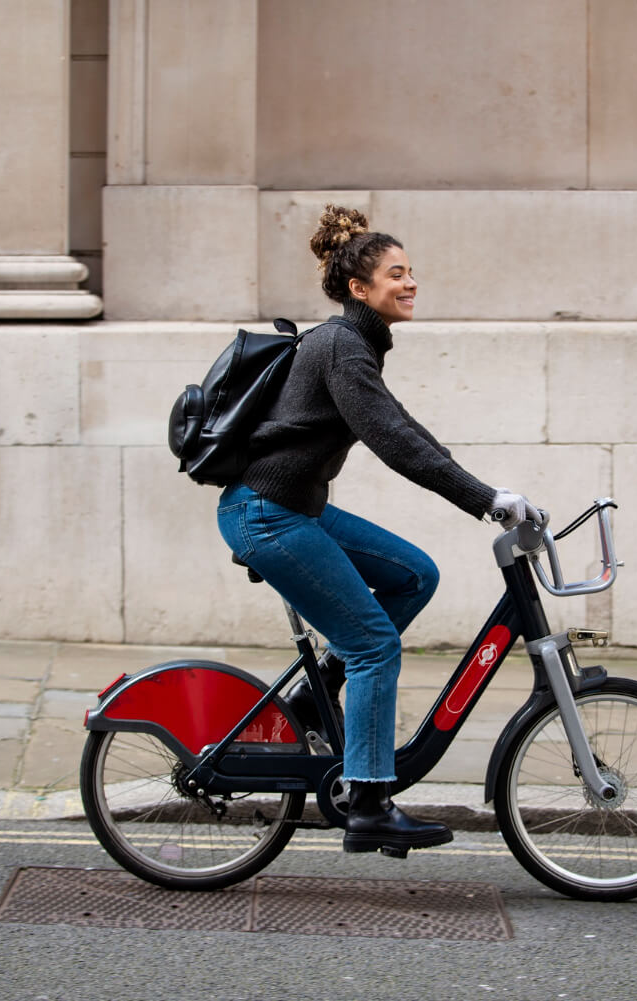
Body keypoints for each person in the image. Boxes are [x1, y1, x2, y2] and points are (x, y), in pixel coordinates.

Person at [216, 204, 539, 857]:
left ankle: (312, 701)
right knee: (373, 646)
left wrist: (489, 490)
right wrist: (485, 499)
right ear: (360, 289)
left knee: (413, 575)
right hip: (268, 513)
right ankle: (367, 801)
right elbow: (394, 441)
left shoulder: (354, 345)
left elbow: (403, 427)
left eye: (411, 271)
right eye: (397, 273)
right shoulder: (341, 344)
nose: (411, 282)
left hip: (290, 507)